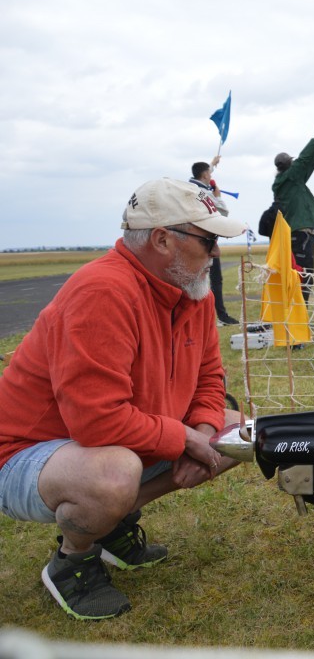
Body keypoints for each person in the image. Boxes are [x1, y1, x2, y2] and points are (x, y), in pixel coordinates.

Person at [0, 178, 247, 620]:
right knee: (114, 473)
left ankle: (111, 520)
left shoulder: (194, 293)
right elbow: (97, 422)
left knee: (239, 432)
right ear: (162, 239)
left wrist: (206, 435)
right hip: (24, 454)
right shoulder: (103, 292)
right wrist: (185, 440)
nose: (216, 253)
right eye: (209, 240)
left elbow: (211, 378)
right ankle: (73, 561)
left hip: (110, 443)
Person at [273, 127, 314, 303]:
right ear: (289, 164)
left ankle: (299, 311)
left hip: (300, 235)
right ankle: (299, 311)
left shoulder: (290, 180)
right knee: (304, 276)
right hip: (300, 236)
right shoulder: (289, 178)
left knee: (304, 275)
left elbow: (306, 167)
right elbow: (303, 161)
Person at [190, 156, 238, 325]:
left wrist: (212, 164)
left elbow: (204, 175)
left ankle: (207, 317)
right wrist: (217, 196)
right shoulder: (204, 193)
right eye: (209, 174)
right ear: (204, 176)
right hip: (206, 242)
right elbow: (223, 212)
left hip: (191, 241)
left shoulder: (189, 187)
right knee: (214, 281)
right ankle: (220, 316)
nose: (210, 177)